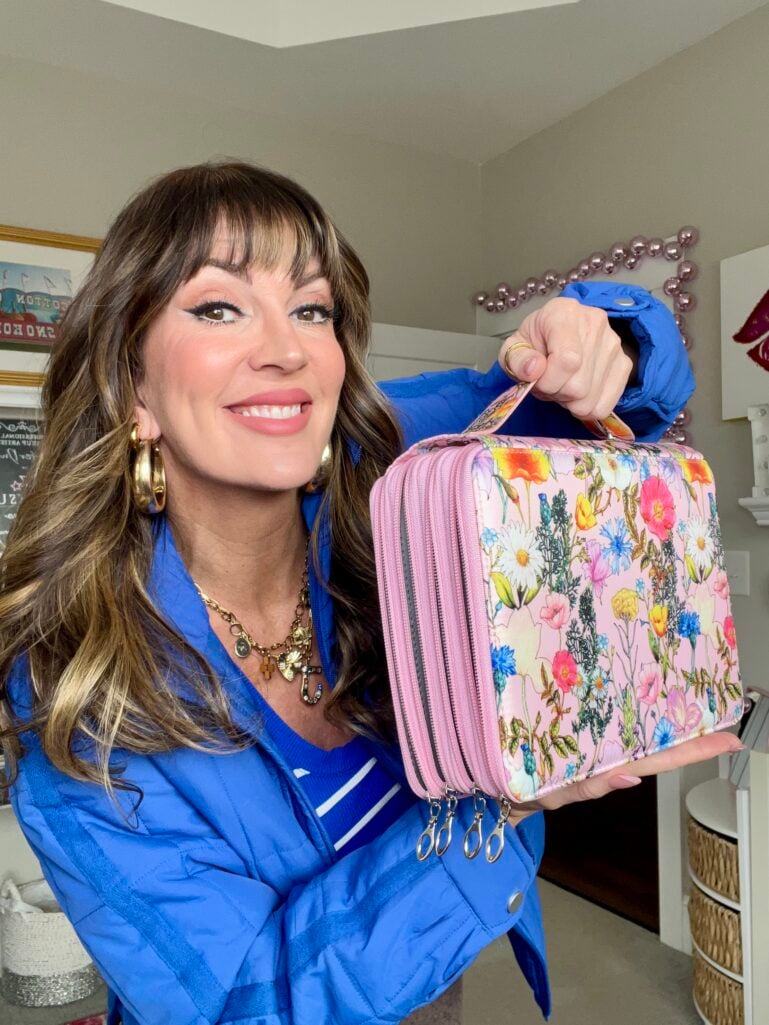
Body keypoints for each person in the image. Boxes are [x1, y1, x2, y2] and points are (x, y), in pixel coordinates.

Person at [0, 161, 739, 1025]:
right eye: (217, 307)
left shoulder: (386, 457)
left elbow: (625, 403)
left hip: (434, 981)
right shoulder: (81, 707)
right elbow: (248, 1005)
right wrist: (492, 805)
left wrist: (603, 333)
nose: (283, 348)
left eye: (311, 309)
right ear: (135, 387)